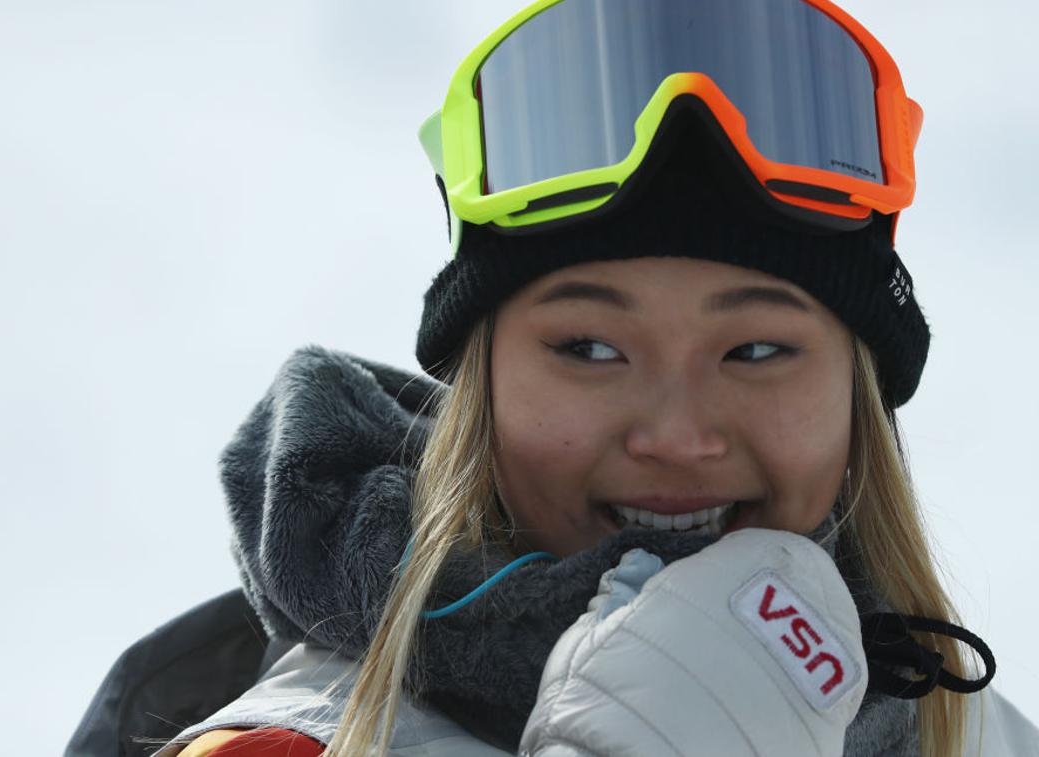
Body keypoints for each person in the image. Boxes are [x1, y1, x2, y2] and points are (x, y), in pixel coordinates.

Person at [132, 0, 1039, 755]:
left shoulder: (967, 730)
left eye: (756, 351)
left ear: (856, 391)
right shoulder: (283, 747)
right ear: (484, 386)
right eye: (590, 349)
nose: (678, 436)